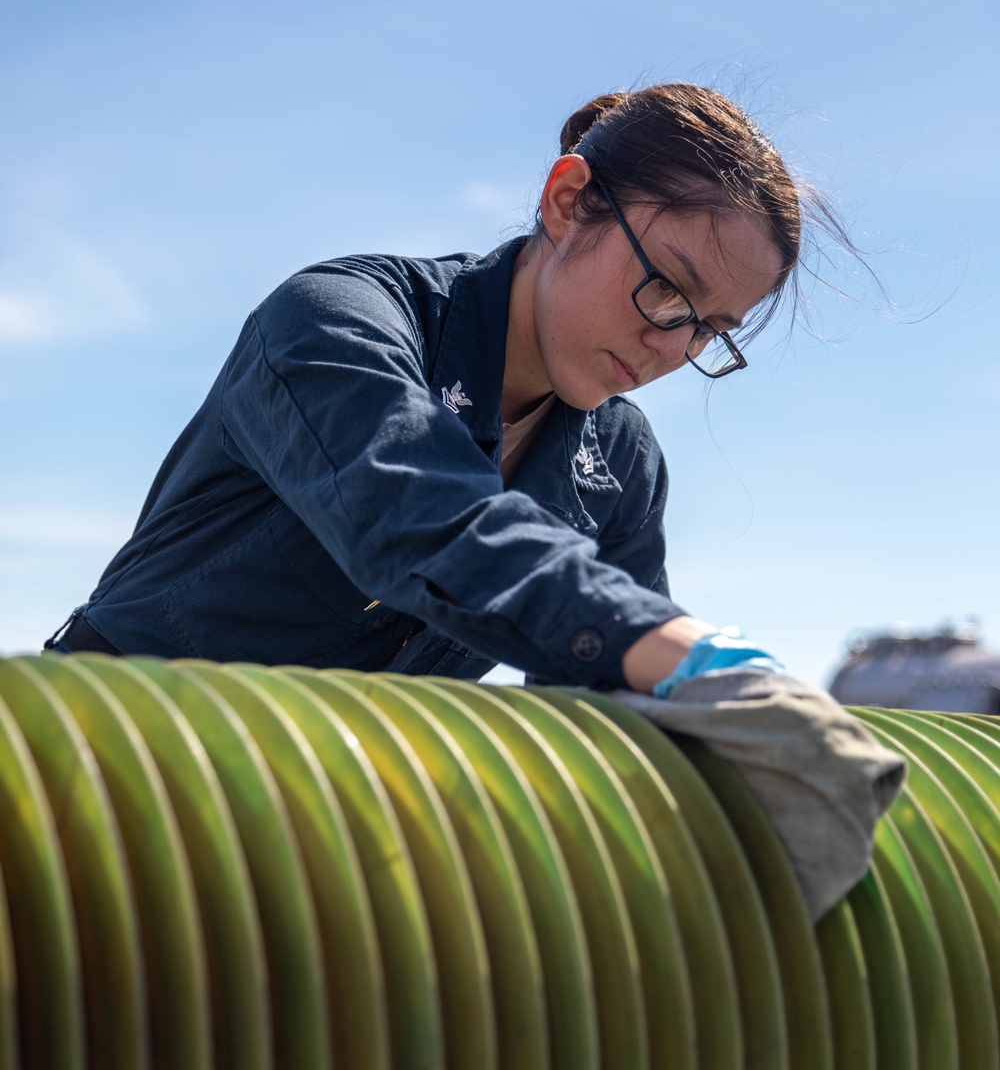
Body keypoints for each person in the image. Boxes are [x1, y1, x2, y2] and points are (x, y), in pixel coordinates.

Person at [46, 84, 807, 696]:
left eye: (710, 329)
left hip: (309, 836)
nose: (673, 345)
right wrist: (688, 651)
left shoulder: (620, 463)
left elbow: (618, 700)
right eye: (669, 289)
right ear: (569, 201)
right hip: (97, 777)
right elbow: (420, 517)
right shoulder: (338, 320)